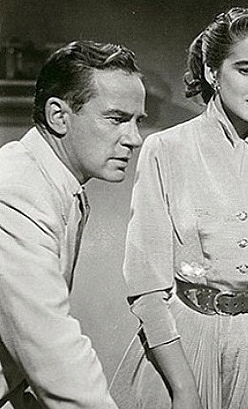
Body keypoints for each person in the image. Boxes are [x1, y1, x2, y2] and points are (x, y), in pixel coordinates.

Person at [109, 7, 248, 409]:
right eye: (246, 69)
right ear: (212, 72)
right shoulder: (165, 150)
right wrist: (184, 387)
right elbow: (146, 282)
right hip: (182, 345)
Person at [0, 40, 146, 408]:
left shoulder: (55, 183)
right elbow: (51, 350)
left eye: (137, 121)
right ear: (59, 116)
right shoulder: (16, 192)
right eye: (116, 119)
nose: (135, 139)